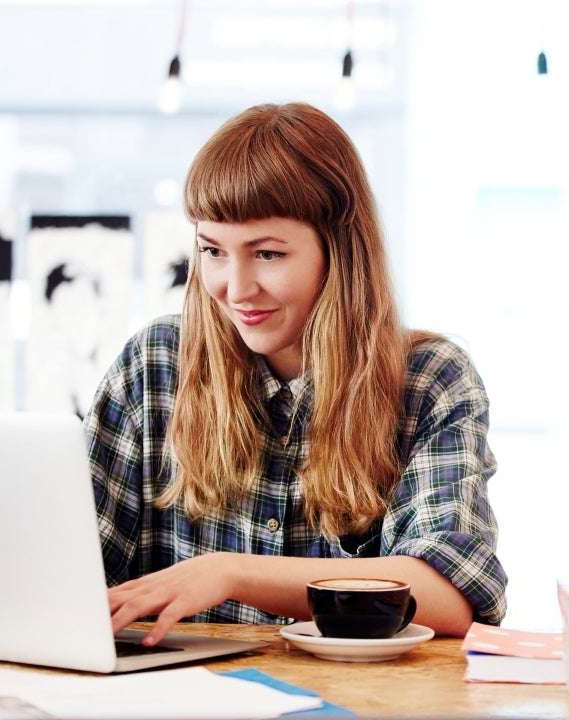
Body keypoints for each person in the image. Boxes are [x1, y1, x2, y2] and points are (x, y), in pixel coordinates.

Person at [84, 103, 507, 645]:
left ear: (339, 252)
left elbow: (448, 595)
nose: (235, 289)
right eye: (212, 250)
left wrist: (229, 573)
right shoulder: (155, 365)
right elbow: (70, 572)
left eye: (267, 254)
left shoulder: (430, 380)